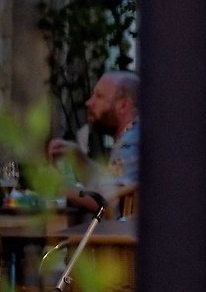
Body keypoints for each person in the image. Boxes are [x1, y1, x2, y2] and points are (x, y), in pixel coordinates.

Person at [49, 70, 140, 216]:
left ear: (123, 106)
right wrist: (78, 158)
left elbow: (107, 200)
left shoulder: (130, 143)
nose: (89, 102)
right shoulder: (133, 136)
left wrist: (59, 188)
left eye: (99, 96)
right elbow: (107, 184)